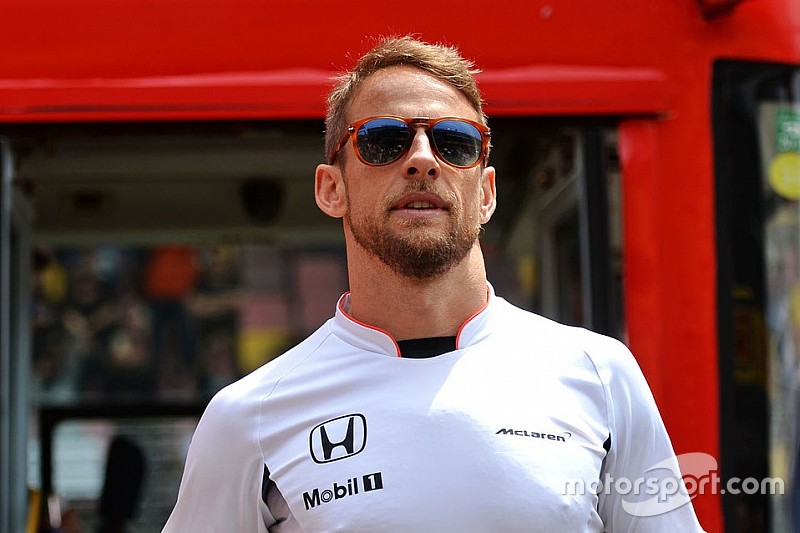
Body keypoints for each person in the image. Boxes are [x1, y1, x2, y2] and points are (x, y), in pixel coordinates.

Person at [163, 36, 705, 532]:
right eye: (383, 140)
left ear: (486, 193)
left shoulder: (600, 374)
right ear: (331, 189)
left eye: (454, 141)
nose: (422, 159)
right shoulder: (248, 416)